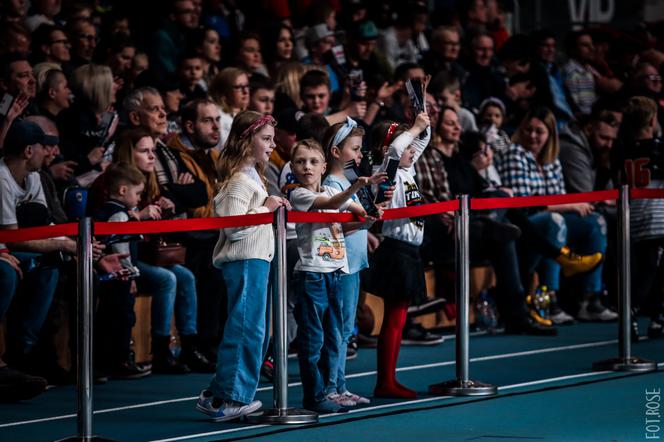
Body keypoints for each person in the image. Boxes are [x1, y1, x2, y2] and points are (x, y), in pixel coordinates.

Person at [196, 111, 289, 421]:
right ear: (247, 141)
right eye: (265, 139)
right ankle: (228, 399)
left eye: (272, 139)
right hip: (245, 261)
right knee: (247, 329)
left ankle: (222, 392)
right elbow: (234, 226)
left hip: (257, 261)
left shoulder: (252, 176)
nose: (272, 145)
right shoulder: (239, 179)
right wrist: (266, 207)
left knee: (255, 331)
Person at [495, 106, 616, 323]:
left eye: (539, 131)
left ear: (550, 135)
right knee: (555, 221)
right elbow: (524, 206)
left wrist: (573, 205)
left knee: (594, 221)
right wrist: (570, 206)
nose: (533, 136)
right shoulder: (515, 154)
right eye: (528, 130)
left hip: (548, 215)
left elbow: (557, 197)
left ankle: (589, 299)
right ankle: (549, 300)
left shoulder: (551, 160)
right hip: (525, 225)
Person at [289, 138, 377, 413]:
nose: (307, 167)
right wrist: (356, 189)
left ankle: (330, 390)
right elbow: (336, 202)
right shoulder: (299, 195)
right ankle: (313, 397)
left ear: (324, 165)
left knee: (334, 335)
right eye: (301, 162)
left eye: (314, 162)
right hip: (312, 274)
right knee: (313, 340)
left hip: (336, 272)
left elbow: (352, 217)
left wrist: (369, 215)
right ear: (292, 166)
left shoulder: (329, 189)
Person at [369, 111, 431, 398]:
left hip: (411, 250)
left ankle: (388, 378)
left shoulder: (408, 169)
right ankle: (385, 380)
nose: (411, 150)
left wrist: (422, 111)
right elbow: (396, 149)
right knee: (394, 319)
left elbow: (423, 138)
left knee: (400, 318)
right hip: (396, 251)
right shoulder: (388, 169)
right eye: (407, 146)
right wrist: (416, 126)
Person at [321, 118, 382, 407]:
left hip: (353, 264)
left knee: (345, 329)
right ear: (335, 151)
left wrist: (367, 225)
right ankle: (331, 387)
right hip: (340, 266)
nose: (360, 156)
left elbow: (356, 221)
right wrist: (364, 223)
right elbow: (334, 227)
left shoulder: (348, 183)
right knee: (337, 328)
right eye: (355, 149)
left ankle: (340, 385)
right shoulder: (333, 186)